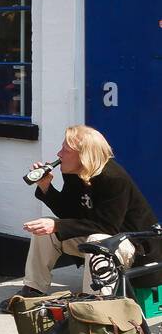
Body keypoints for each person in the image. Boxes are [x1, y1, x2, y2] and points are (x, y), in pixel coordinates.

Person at [18, 125, 158, 299]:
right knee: (43, 230)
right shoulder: (74, 173)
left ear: (84, 155)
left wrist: (57, 225)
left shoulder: (114, 179)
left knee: (97, 240)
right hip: (101, 237)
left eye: (65, 150)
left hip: (134, 247)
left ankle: (94, 301)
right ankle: (34, 289)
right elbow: (68, 214)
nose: (59, 154)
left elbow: (107, 227)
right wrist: (46, 187)